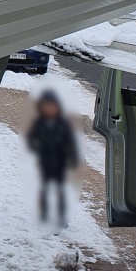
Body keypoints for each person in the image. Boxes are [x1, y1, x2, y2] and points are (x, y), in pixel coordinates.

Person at [26, 89, 78, 226]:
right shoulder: (39, 123)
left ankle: (61, 217)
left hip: (60, 162)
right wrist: (36, 148)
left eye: (52, 106)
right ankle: (44, 215)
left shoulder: (64, 124)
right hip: (45, 161)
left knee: (60, 190)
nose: (49, 109)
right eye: (46, 106)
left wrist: (72, 158)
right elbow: (31, 139)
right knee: (44, 188)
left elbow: (71, 142)